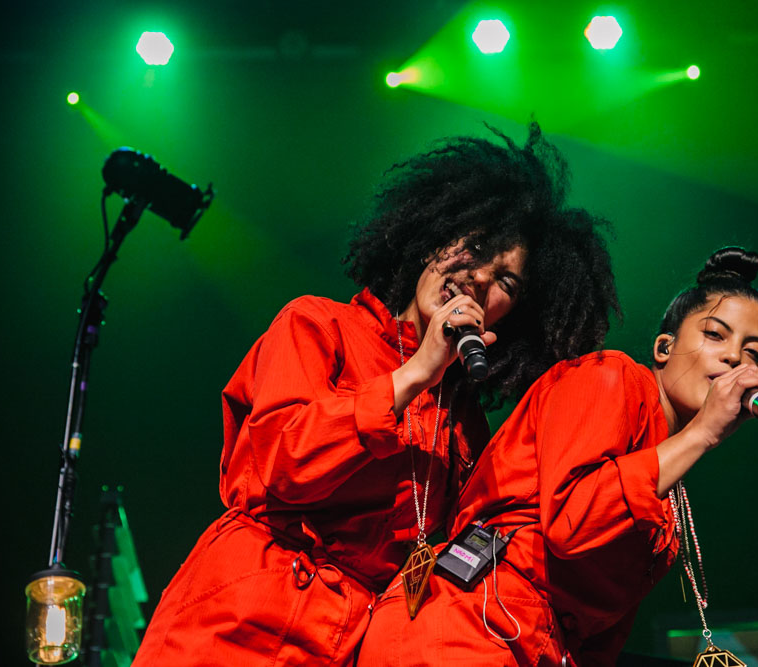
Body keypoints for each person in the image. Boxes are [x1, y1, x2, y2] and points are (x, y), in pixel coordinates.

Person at [131, 122, 620, 666]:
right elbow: (283, 462)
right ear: (435, 236)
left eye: (507, 281)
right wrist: (414, 374)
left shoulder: (463, 423)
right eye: (476, 247)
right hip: (240, 622)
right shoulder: (318, 324)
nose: (480, 277)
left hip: (352, 643)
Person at [357, 246, 758, 666]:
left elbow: (603, 630)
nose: (734, 357)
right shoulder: (610, 377)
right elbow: (571, 523)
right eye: (715, 334)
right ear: (664, 347)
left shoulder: (669, 479)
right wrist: (702, 434)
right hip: (468, 628)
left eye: (753, 351)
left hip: (535, 647)